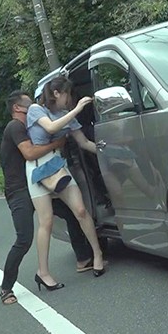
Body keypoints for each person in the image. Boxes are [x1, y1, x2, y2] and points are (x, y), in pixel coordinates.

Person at [0, 90, 98, 305]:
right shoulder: (15, 127)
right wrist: (56, 144)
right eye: (28, 104)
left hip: (39, 182)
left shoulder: (31, 125)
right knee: (24, 239)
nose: (33, 106)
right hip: (19, 191)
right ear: (17, 108)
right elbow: (30, 153)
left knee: (72, 213)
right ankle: (6, 288)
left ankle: (83, 259)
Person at [25, 76, 107, 292]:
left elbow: (84, 142)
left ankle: (97, 254)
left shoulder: (66, 115)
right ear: (56, 93)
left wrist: (106, 151)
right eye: (68, 94)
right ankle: (43, 272)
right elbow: (51, 128)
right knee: (46, 221)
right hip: (36, 169)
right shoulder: (35, 109)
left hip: (57, 165)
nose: (70, 99)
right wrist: (77, 109)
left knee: (80, 210)